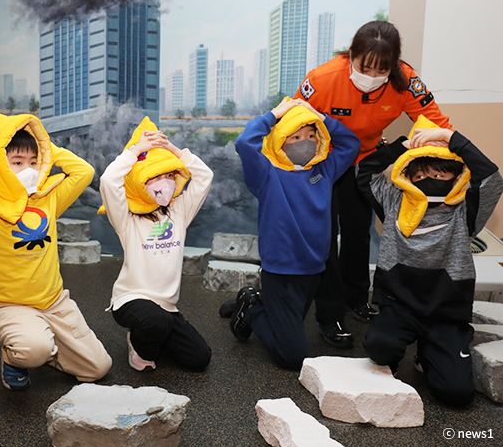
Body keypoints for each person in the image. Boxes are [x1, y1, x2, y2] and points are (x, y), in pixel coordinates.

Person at [294, 20, 453, 348]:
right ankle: (330, 313)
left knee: (357, 232)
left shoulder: (405, 81)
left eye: (380, 70)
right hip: (325, 162)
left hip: (366, 161)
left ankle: (356, 298)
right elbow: (292, 123)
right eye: (364, 67)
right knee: (326, 237)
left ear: (393, 65)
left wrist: (437, 149)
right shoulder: (323, 80)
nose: (370, 76)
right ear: (351, 55)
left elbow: (435, 123)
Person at [0, 110, 111, 390]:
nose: (27, 169)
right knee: (32, 350)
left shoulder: (47, 199)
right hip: (7, 305)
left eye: (33, 161)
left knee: (98, 368)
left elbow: (84, 172)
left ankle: (44, 349)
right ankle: (17, 357)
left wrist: (45, 146)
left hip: (54, 303)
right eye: (16, 162)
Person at [357, 116, 503, 406]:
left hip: (445, 314)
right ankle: (397, 354)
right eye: (421, 175)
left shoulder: (464, 209)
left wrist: (449, 138)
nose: (429, 181)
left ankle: (430, 353)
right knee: (379, 347)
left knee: (457, 396)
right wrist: (402, 147)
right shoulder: (395, 200)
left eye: (439, 176)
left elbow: (491, 178)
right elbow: (366, 171)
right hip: (399, 305)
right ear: (408, 175)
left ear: (455, 175)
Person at [221, 98, 360, 370]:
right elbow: (244, 143)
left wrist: (320, 115)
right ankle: (252, 309)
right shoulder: (267, 174)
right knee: (293, 357)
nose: (304, 142)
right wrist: (274, 115)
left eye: (311, 135)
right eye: (295, 136)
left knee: (288, 327)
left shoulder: (325, 170)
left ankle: (261, 305)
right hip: (281, 272)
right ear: (280, 140)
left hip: (313, 271)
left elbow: (351, 143)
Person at [99, 117, 214, 372]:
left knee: (199, 358)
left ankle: (157, 336)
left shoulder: (179, 210)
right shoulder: (126, 218)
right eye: (154, 176)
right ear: (140, 180)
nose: (164, 182)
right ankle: (139, 344)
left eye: (169, 174)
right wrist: (136, 151)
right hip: (132, 299)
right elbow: (108, 181)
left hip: (167, 307)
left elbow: (205, 176)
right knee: (154, 322)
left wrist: (173, 150)